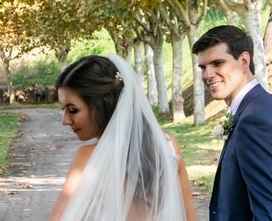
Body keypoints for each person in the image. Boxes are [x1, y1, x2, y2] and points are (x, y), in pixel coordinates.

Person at [193, 25, 272, 221]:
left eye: (218, 63)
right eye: (203, 67)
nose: (207, 75)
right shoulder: (268, 107)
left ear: (244, 61)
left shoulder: (255, 121)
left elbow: (269, 215)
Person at [49, 54, 196, 221]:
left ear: (101, 104)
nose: (65, 120)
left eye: (73, 109)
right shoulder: (168, 147)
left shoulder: (88, 157)